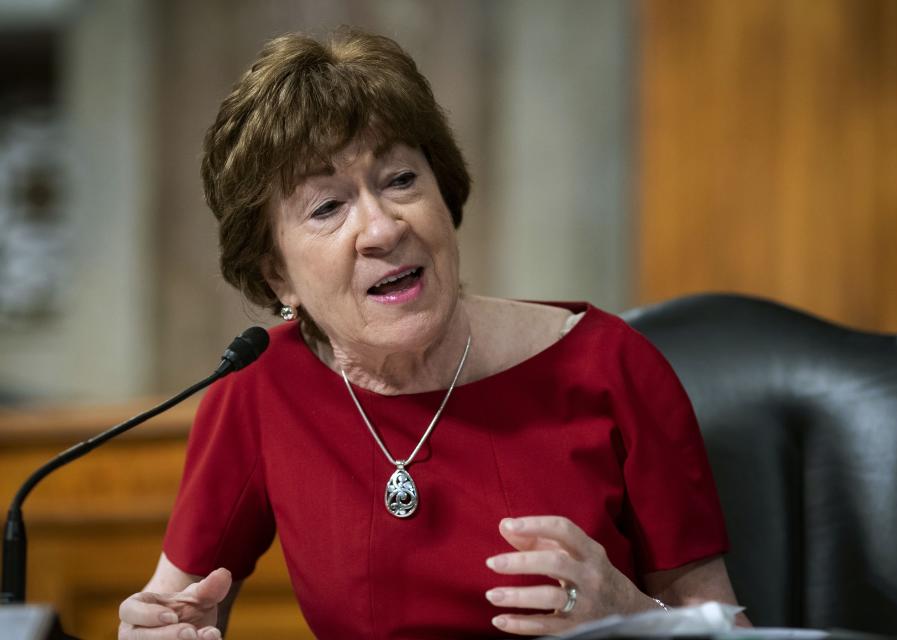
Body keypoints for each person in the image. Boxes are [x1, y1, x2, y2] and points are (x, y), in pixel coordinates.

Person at [117, 28, 745, 640]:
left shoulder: (613, 366)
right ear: (278, 274)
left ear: (444, 195)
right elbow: (178, 608)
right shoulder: (259, 391)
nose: (383, 229)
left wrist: (633, 618)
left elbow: (732, 630)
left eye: (400, 180)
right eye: (327, 206)